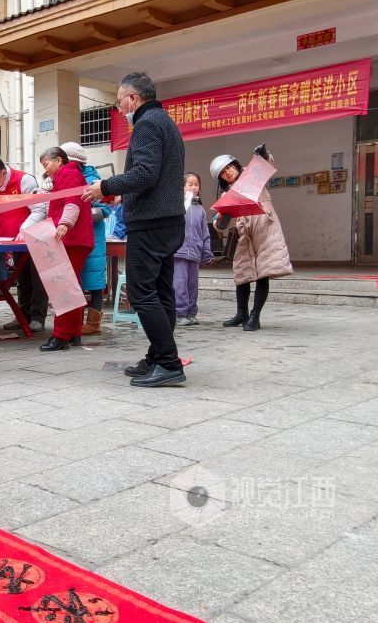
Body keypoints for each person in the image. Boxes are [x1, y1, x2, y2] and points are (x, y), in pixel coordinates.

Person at [83, 71, 186, 387]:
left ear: (133, 98)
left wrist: (106, 186)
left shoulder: (147, 125)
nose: (119, 109)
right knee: (161, 291)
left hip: (152, 224)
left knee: (141, 293)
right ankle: (158, 356)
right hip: (168, 221)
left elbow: (145, 174)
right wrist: (118, 193)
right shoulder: (165, 122)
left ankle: (169, 362)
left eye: (118, 103)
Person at [210, 146, 292, 331]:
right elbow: (219, 222)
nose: (228, 173)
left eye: (229, 167)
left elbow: (266, 165)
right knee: (243, 274)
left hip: (266, 229)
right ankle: (242, 313)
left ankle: (255, 316)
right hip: (245, 235)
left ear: (236, 165)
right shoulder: (227, 194)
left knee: (263, 273)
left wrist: (262, 155)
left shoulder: (253, 177)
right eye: (223, 173)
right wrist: (223, 220)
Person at [37, 146, 94, 351]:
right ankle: (73, 333)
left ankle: (61, 336)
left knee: (62, 287)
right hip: (77, 238)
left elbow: (72, 203)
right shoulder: (70, 174)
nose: (46, 169)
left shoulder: (68, 173)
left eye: (47, 164)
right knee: (72, 286)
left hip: (71, 237)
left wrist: (64, 224)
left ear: (59, 160)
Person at [0, 156, 47, 313]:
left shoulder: (24, 180)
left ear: (2, 172)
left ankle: (37, 317)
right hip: (15, 240)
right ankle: (22, 316)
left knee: (37, 278)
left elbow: (40, 209)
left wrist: (24, 229)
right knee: (21, 278)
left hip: (35, 237)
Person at [62, 142, 110, 335]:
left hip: (91, 239)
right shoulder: (66, 179)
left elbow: (104, 210)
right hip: (73, 238)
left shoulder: (91, 181)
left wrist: (78, 215)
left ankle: (94, 323)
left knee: (95, 281)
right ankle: (76, 321)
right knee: (76, 282)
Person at [174, 173, 214, 326]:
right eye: (190, 184)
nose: (193, 187)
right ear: (182, 187)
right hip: (179, 251)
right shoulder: (177, 205)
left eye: (196, 184)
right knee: (179, 283)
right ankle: (179, 313)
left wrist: (207, 252)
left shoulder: (201, 210)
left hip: (195, 253)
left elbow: (205, 233)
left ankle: (191, 313)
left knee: (192, 284)